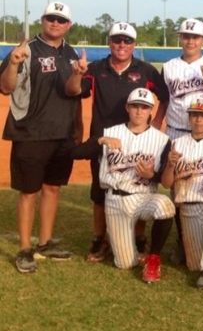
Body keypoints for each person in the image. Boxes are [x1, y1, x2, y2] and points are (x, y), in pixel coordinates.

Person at [65, 22, 169, 262]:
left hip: (138, 139)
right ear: (109, 42)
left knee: (141, 186)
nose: (122, 45)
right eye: (117, 40)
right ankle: (100, 239)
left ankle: (139, 238)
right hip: (105, 139)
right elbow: (73, 91)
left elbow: (164, 98)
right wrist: (77, 74)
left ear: (134, 44)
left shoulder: (145, 70)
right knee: (101, 191)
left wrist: (155, 126)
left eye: (127, 41)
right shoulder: (96, 68)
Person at [1, 2, 83, 273]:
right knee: (29, 192)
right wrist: (12, 64)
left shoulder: (71, 54)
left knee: (53, 188)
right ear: (42, 20)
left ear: (68, 25)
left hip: (63, 133)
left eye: (61, 20)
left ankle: (45, 242)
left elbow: (74, 92)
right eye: (51, 18)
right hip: (31, 132)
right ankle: (25, 249)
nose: (55, 23)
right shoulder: (26, 50)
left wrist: (78, 76)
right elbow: (5, 88)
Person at [71, 88, 175, 283]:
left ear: (150, 111)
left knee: (166, 205)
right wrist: (100, 140)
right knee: (125, 263)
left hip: (144, 197)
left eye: (144, 107)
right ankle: (124, 247)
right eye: (135, 106)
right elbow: (76, 153)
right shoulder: (110, 132)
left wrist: (152, 175)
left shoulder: (162, 140)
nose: (139, 111)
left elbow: (164, 179)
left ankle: (153, 258)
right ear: (127, 108)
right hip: (115, 200)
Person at [161, 18, 203, 265]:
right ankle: (183, 240)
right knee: (179, 189)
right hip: (177, 132)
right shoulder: (168, 67)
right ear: (180, 38)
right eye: (186, 36)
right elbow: (164, 101)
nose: (190, 41)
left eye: (195, 37)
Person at [160, 98, 203, 288]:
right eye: (195, 115)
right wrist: (170, 165)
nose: (199, 119)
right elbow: (166, 184)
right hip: (188, 205)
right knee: (195, 266)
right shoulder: (176, 143)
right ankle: (190, 246)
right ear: (189, 118)